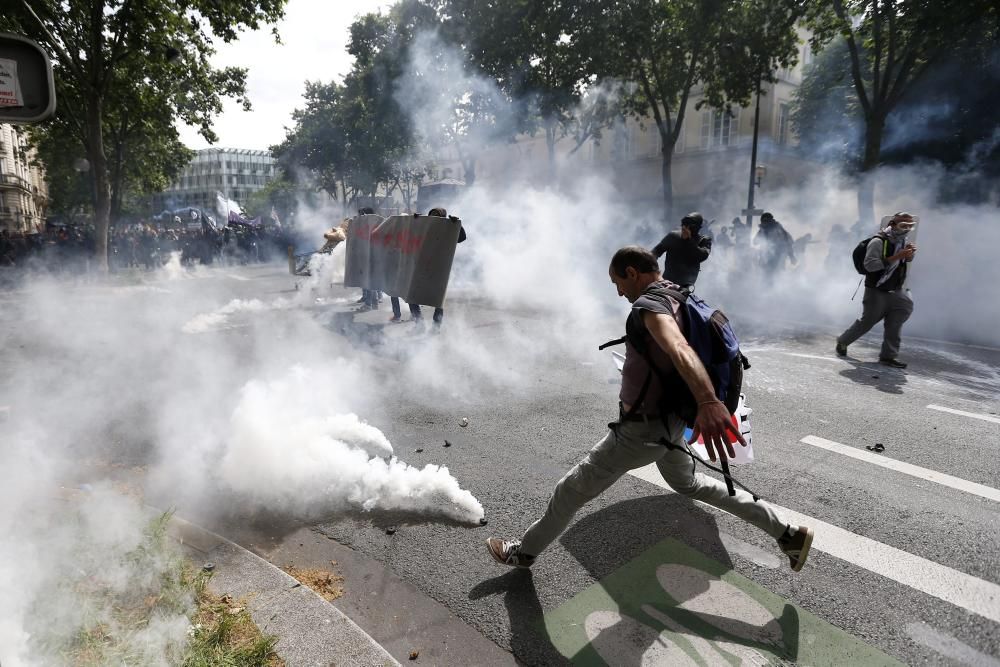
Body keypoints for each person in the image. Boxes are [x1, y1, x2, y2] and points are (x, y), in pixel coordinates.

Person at [486, 246, 814, 572]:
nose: (618, 292)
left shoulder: (651, 304)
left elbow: (679, 347)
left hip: (641, 432)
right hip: (670, 424)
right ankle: (787, 533)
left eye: (618, 282)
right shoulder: (677, 293)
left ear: (633, 273)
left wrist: (708, 400)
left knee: (570, 490)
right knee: (690, 484)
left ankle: (524, 553)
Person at [836, 212, 918, 368]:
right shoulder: (878, 241)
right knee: (867, 322)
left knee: (896, 322)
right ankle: (843, 341)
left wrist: (908, 255)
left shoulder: (903, 241)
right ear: (893, 224)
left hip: (897, 289)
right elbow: (870, 265)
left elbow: (905, 262)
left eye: (910, 226)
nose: (906, 229)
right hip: (877, 289)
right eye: (903, 226)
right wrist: (897, 256)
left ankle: (888, 356)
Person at [408, 207, 466, 326]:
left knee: (438, 299)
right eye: (431, 215)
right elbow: (410, 233)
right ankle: (419, 323)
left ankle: (436, 325)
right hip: (422, 267)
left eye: (437, 215)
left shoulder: (448, 229)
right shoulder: (425, 227)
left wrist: (457, 225)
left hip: (439, 268)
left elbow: (461, 238)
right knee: (411, 295)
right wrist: (415, 220)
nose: (434, 218)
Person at [650, 212, 712, 293]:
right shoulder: (673, 236)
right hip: (666, 281)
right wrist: (652, 271)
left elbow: (702, 256)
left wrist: (688, 240)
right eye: (684, 224)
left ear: (697, 227)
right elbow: (655, 252)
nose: (685, 227)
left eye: (689, 225)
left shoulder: (703, 240)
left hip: (685, 286)